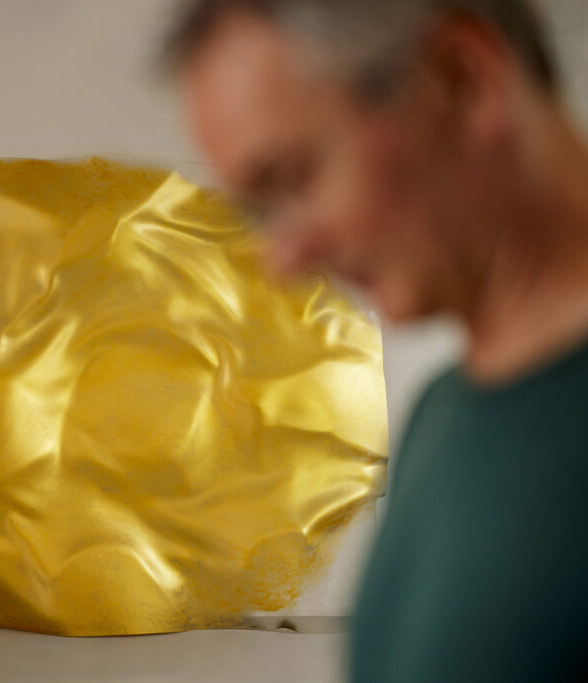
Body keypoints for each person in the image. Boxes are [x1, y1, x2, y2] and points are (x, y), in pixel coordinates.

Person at [164, 1, 588, 681]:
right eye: (259, 210)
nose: (285, 256)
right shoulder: (442, 415)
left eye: (294, 176)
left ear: (464, 80)